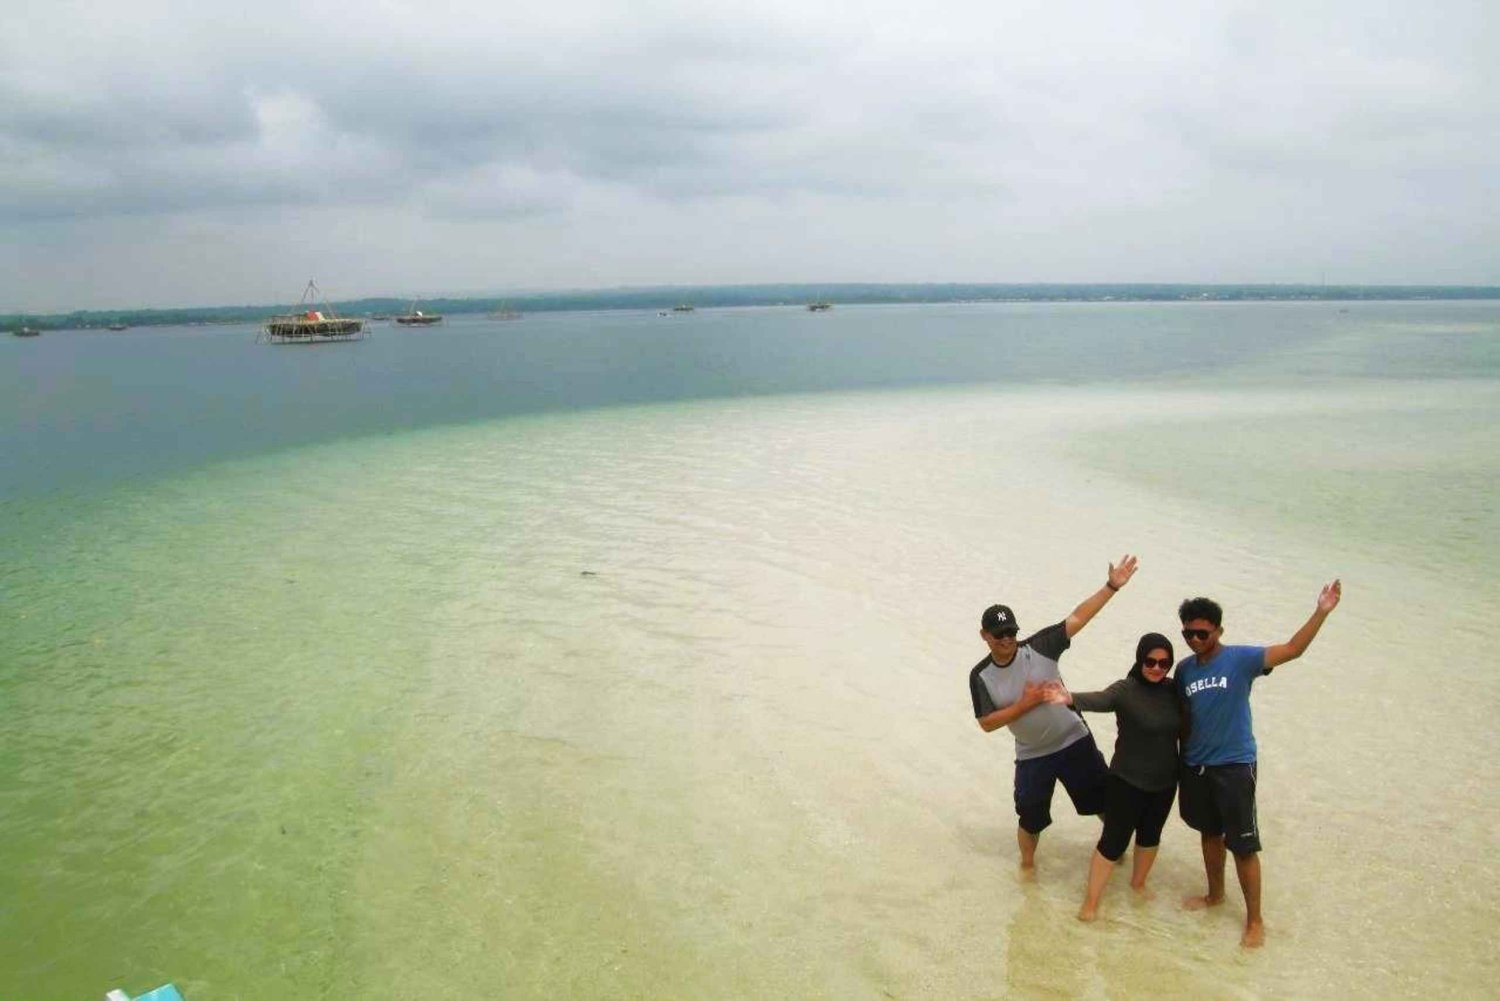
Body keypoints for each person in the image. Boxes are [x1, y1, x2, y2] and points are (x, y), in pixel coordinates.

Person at [1175, 580, 1343, 948]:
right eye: (1188, 633)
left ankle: (1255, 920)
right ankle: (1215, 895)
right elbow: (1180, 718)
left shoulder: (1242, 659)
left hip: (1235, 765)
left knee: (1244, 846)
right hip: (1196, 766)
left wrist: (1321, 611)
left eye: (1202, 632)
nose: (1194, 639)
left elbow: (1294, 649)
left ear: (1219, 630)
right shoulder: (1184, 670)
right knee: (1209, 834)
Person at [968, 555, 1139, 874]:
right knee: (1030, 817)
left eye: (1011, 632)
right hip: (1032, 754)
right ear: (984, 635)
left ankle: (1116, 854)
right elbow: (986, 724)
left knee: (1102, 803)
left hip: (1074, 741)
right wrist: (1024, 704)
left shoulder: (1041, 646)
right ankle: (1027, 870)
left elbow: (1078, 617)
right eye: (998, 634)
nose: (1007, 639)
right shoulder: (981, 676)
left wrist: (1111, 586)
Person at [1048, 632, 1181, 921]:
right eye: (1150, 661)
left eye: (1164, 663)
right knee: (1113, 841)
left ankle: (1138, 884)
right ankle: (1091, 902)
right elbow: (1100, 699)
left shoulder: (1175, 691)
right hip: (1126, 781)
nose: (1157, 668)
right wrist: (1068, 698)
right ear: (1139, 659)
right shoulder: (1126, 690)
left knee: (1150, 835)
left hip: (1166, 782)